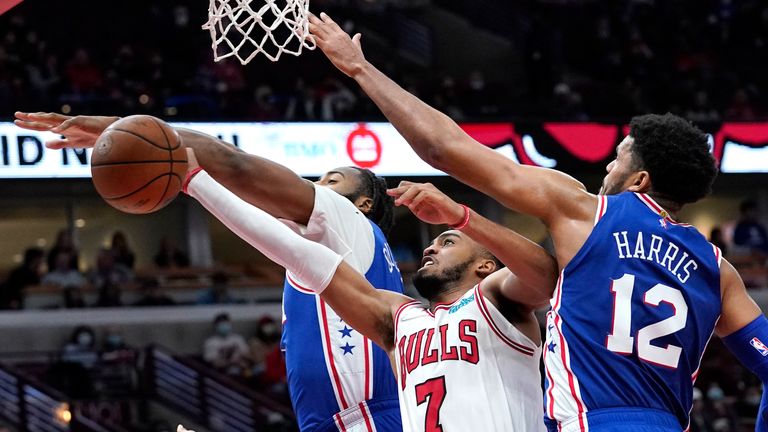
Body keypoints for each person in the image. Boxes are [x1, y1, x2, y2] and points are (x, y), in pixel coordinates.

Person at [306, 13, 768, 431]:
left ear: (640, 178)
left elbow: (443, 150)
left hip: (592, 422)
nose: (607, 166)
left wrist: (359, 69)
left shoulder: (585, 210)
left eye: (618, 158)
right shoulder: (718, 269)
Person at [16, 110, 406, 432]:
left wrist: (124, 131)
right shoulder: (353, 251)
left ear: (364, 202)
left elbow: (234, 164)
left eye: (330, 181)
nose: (314, 186)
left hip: (363, 420)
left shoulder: (346, 218)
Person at [183, 156, 557, 431]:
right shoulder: (401, 317)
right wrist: (195, 181)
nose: (429, 247)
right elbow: (295, 254)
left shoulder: (495, 299)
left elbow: (543, 276)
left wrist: (459, 215)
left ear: (486, 266)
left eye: (447, 241)